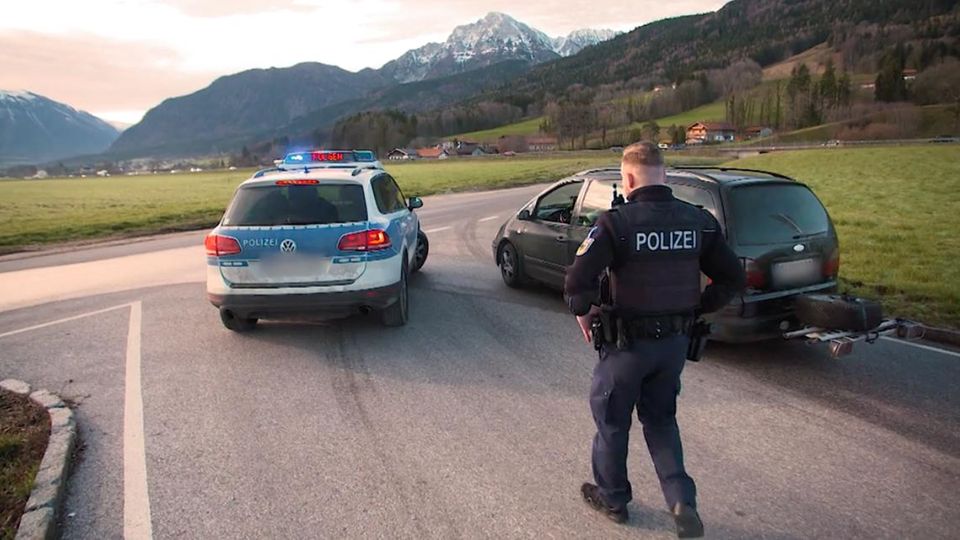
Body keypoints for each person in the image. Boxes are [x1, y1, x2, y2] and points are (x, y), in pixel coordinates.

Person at [564, 142, 745, 538]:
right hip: (674, 346)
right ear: (664, 174)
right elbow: (733, 278)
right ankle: (682, 502)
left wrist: (584, 311)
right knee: (661, 421)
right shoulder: (698, 221)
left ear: (628, 179)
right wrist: (697, 307)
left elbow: (577, 281)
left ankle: (613, 498)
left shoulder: (615, 224)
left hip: (626, 347)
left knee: (612, 421)